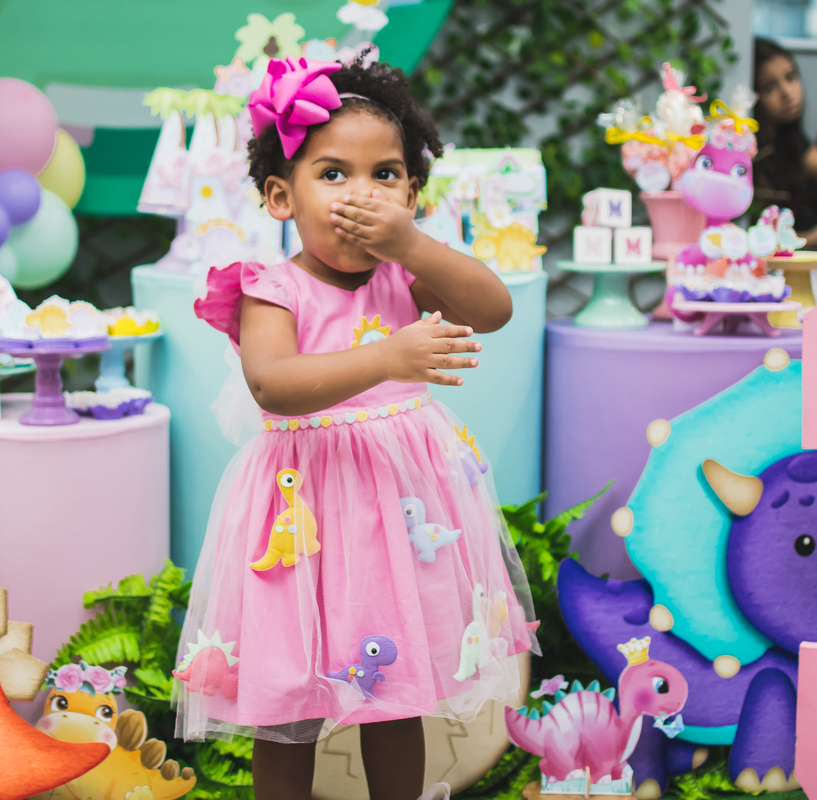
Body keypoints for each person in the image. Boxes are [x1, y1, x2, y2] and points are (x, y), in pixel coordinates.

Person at [176, 54, 538, 800]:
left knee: (394, 692)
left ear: (411, 193)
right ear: (282, 196)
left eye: (386, 175)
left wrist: (412, 245)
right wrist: (386, 356)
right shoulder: (271, 289)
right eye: (333, 173)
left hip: (394, 518)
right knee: (291, 707)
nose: (361, 193)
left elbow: (495, 309)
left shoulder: (407, 273)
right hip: (303, 519)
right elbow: (273, 385)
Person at [752, 38, 817, 249]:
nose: (787, 93)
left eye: (791, 77)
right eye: (769, 87)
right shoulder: (747, 151)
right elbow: (745, 242)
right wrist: (810, 239)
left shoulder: (788, 138)